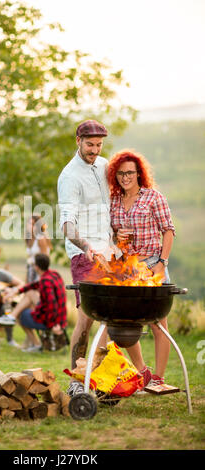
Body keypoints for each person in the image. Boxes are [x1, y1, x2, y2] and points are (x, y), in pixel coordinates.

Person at [57, 119, 122, 396]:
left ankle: (98, 378)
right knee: (87, 318)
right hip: (85, 254)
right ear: (78, 141)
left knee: (109, 318)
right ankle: (76, 382)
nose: (94, 150)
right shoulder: (70, 176)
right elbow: (67, 225)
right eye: (89, 145)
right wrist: (85, 246)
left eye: (98, 145)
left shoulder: (105, 165)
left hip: (109, 251)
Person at [107, 148, 176, 390]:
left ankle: (158, 378)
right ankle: (142, 371)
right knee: (125, 322)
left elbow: (168, 230)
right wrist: (117, 236)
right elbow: (113, 237)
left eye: (130, 173)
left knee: (158, 324)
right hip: (126, 267)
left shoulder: (153, 197)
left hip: (151, 265)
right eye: (120, 173)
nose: (125, 177)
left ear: (139, 174)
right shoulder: (114, 201)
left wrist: (162, 263)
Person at [0, 254, 67, 353]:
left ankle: (36, 344)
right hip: (60, 316)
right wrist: (17, 291)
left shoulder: (45, 281)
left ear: (36, 267)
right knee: (30, 293)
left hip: (52, 320)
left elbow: (52, 304)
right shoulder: (54, 274)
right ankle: (12, 316)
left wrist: (53, 324)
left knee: (21, 315)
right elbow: (35, 285)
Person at [25, 214, 52, 283]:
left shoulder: (41, 239)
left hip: (39, 270)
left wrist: (41, 275)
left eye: (33, 224)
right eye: (29, 223)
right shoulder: (30, 239)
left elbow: (45, 258)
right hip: (31, 268)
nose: (30, 226)